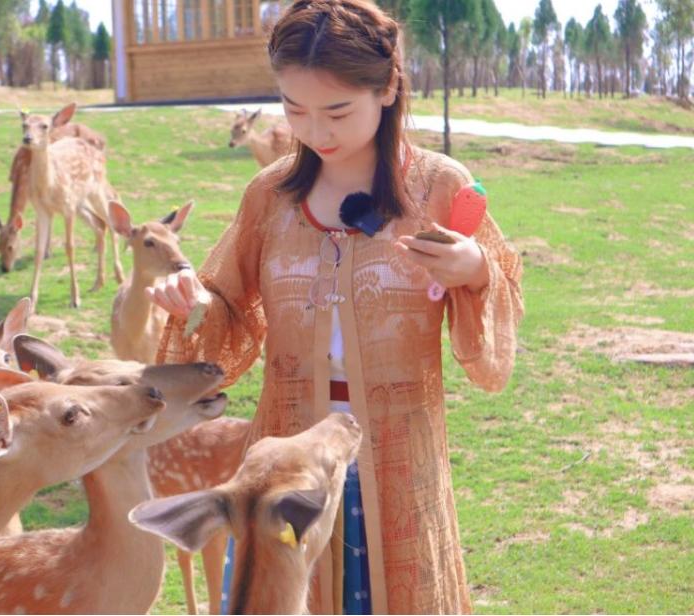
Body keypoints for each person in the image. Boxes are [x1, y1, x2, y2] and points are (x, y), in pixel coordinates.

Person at [146, 0, 524, 612]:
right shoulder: (269, 197)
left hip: (399, 455)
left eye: (337, 111)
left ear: (389, 86)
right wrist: (191, 305)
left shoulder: (439, 187)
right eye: (295, 110)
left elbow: (497, 310)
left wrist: (476, 273)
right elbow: (228, 309)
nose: (317, 133)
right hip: (284, 462)